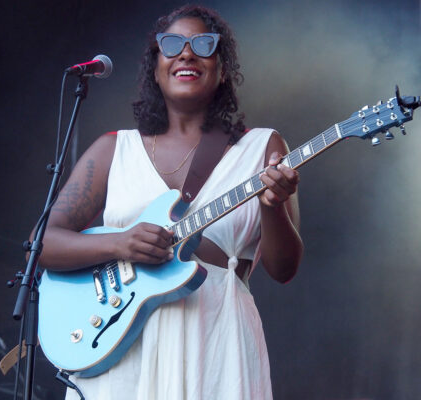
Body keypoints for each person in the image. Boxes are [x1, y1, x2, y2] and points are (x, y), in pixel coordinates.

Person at [40, 5, 303, 400]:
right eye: (172, 44)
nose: (186, 53)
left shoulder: (262, 147)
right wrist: (118, 243)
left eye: (203, 44)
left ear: (223, 68)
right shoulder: (114, 149)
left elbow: (284, 270)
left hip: (216, 343)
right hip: (120, 345)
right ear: (156, 66)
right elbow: (42, 243)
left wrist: (271, 205)